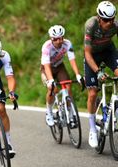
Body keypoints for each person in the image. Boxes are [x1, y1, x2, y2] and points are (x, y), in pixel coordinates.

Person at [84, 1, 118, 148]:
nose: (108, 23)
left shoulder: (115, 25)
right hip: (93, 55)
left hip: (108, 51)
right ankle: (92, 129)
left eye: (111, 19)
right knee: (92, 93)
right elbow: (87, 52)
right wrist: (98, 71)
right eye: (105, 20)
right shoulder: (91, 25)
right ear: (99, 18)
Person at [41, 25, 82, 126]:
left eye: (61, 38)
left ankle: (71, 114)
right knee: (52, 89)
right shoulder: (46, 47)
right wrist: (50, 80)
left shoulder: (67, 44)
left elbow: (72, 60)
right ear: (51, 39)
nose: (59, 41)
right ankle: (49, 112)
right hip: (47, 68)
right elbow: (46, 65)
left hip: (59, 67)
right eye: (56, 39)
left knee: (68, 88)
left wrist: (78, 75)